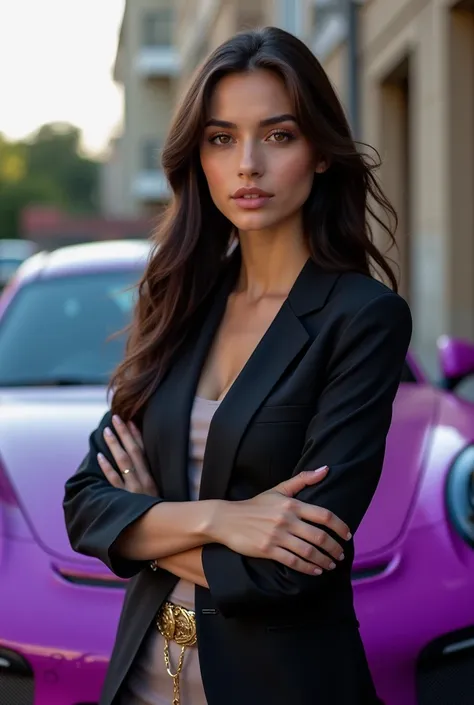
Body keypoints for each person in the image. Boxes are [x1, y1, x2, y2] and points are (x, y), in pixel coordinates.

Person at [63, 26, 412, 705]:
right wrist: (223, 518)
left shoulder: (362, 317)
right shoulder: (182, 299)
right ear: (200, 157)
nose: (247, 163)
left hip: (281, 682)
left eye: (278, 135)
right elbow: (85, 505)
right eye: (222, 138)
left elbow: (294, 572)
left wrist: (148, 521)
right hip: (149, 672)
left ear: (318, 153)